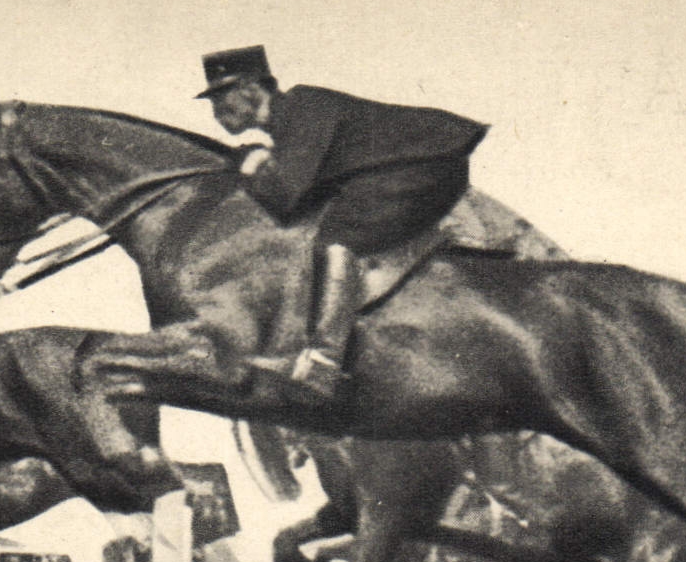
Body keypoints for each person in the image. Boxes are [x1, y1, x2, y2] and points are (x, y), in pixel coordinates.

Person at [197, 45, 489, 400]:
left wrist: (254, 167)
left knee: (337, 238)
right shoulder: (292, 121)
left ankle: (323, 361)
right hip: (421, 168)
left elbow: (286, 199)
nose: (216, 113)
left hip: (425, 168)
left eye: (221, 100)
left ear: (249, 89)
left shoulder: (303, 108)